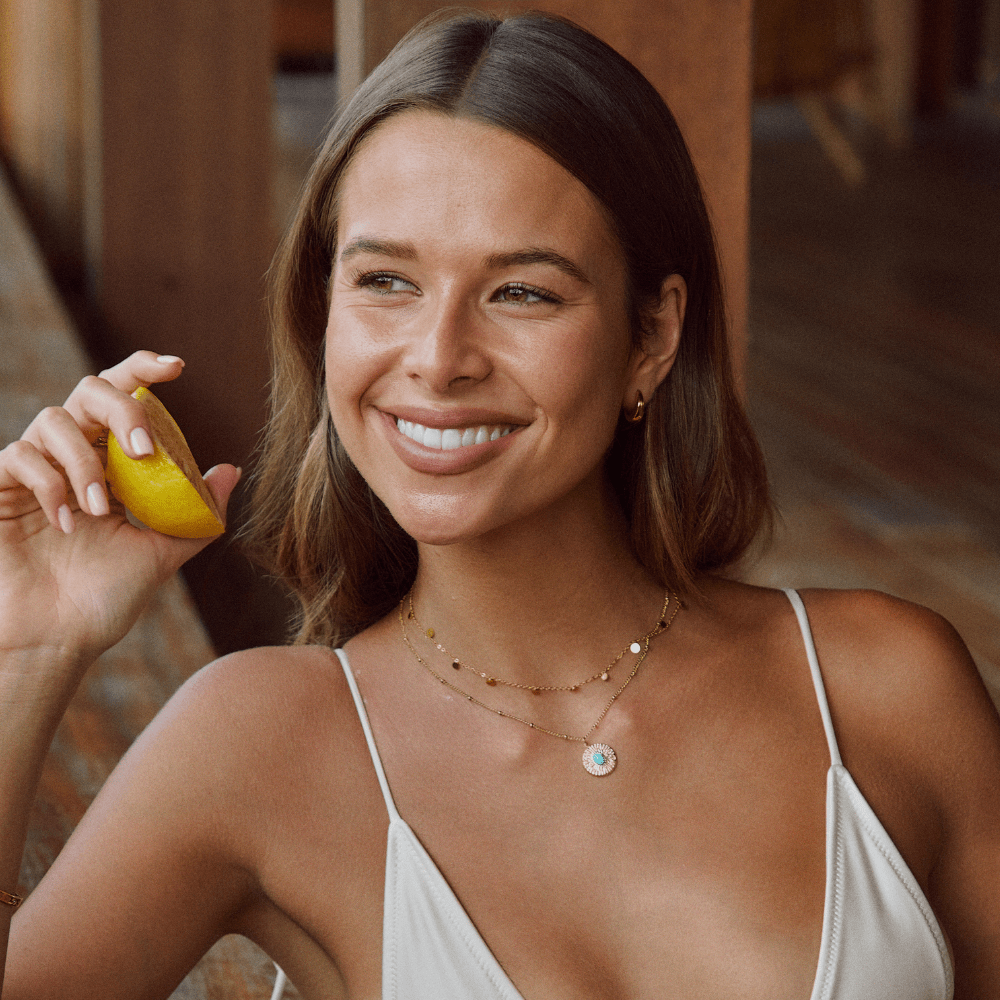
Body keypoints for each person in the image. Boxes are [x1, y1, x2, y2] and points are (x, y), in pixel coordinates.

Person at [1, 10, 998, 999]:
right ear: (323, 316)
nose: (437, 360)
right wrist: (30, 646)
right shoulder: (258, 745)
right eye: (385, 281)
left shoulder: (886, 692)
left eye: (522, 292)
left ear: (651, 336)